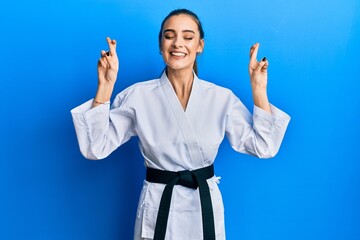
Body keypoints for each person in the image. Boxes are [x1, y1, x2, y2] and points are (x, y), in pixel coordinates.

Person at [71, 8, 290, 240]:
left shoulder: (221, 98)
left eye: (188, 37)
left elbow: (263, 146)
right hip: (158, 206)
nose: (177, 44)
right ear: (160, 45)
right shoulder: (137, 96)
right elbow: (95, 147)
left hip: (203, 207)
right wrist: (105, 86)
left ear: (200, 45)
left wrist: (258, 89)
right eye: (169, 36)